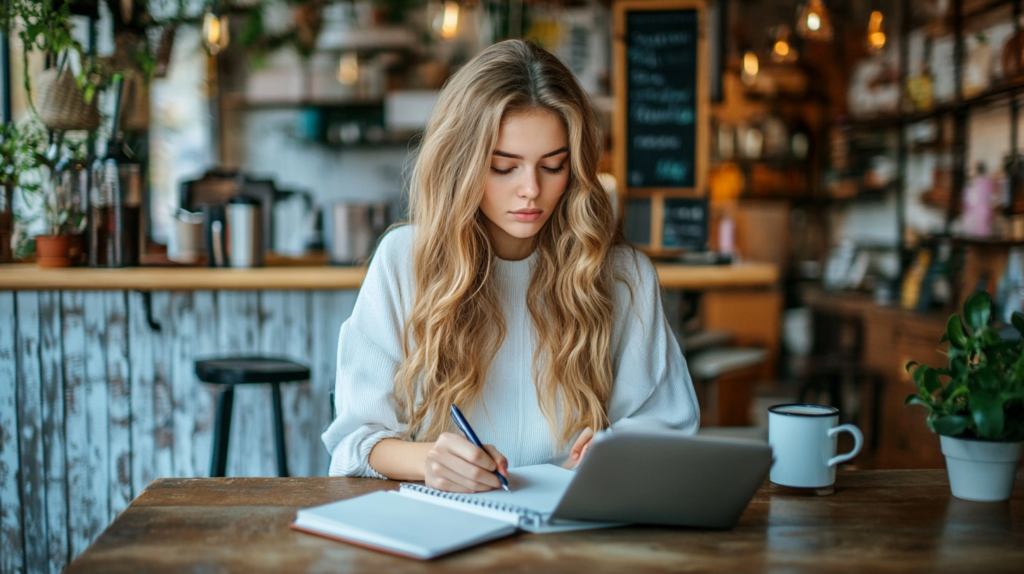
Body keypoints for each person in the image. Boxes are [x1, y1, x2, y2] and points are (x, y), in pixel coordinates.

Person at [322, 39, 699, 493]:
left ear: (576, 168)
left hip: (576, 527)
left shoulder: (622, 276)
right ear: (461, 166)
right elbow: (355, 440)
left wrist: (616, 449)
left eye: (553, 166)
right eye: (504, 167)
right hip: (446, 523)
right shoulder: (405, 261)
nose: (531, 190)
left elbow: (671, 424)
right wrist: (431, 461)